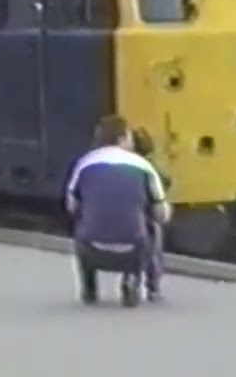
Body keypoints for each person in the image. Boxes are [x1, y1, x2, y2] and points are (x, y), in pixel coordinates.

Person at [66, 116, 170, 307]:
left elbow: (71, 206)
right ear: (122, 138)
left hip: (91, 247)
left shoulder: (84, 164)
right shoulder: (144, 166)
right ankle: (142, 282)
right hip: (133, 248)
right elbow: (161, 213)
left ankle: (89, 288)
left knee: (81, 226)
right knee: (154, 228)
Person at [131, 128, 170, 301]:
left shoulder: (123, 165)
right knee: (154, 245)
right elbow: (164, 183)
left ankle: (134, 279)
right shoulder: (149, 166)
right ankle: (153, 286)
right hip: (146, 215)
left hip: (131, 215)